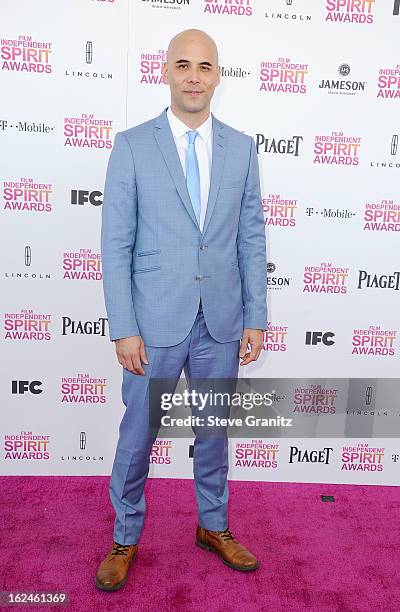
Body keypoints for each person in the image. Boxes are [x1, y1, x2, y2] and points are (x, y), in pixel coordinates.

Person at [95, 28, 268, 591]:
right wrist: (123, 326)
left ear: (219, 76)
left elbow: (251, 237)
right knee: (137, 435)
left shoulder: (242, 147)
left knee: (214, 431)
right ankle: (125, 535)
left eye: (205, 67)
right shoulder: (132, 145)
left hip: (220, 319)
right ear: (165, 71)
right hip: (155, 320)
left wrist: (256, 317)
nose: (194, 76)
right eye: (183, 65)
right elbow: (115, 242)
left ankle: (212, 525)